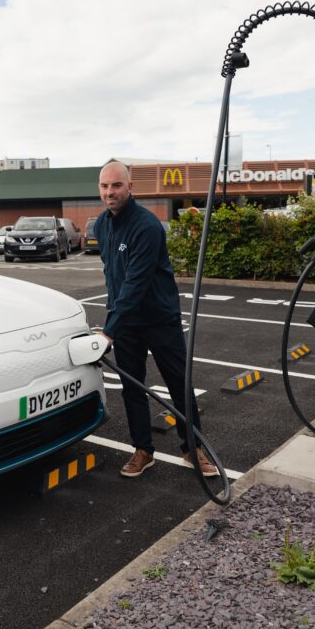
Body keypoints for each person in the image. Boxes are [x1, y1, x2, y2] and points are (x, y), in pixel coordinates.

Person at [92, 160, 218, 478]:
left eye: (117, 185)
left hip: (160, 318)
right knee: (132, 387)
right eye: (105, 186)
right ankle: (143, 450)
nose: (110, 192)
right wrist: (114, 321)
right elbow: (114, 277)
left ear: (130, 188)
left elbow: (136, 281)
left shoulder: (146, 226)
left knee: (178, 383)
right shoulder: (101, 225)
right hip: (127, 323)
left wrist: (109, 332)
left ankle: (192, 448)